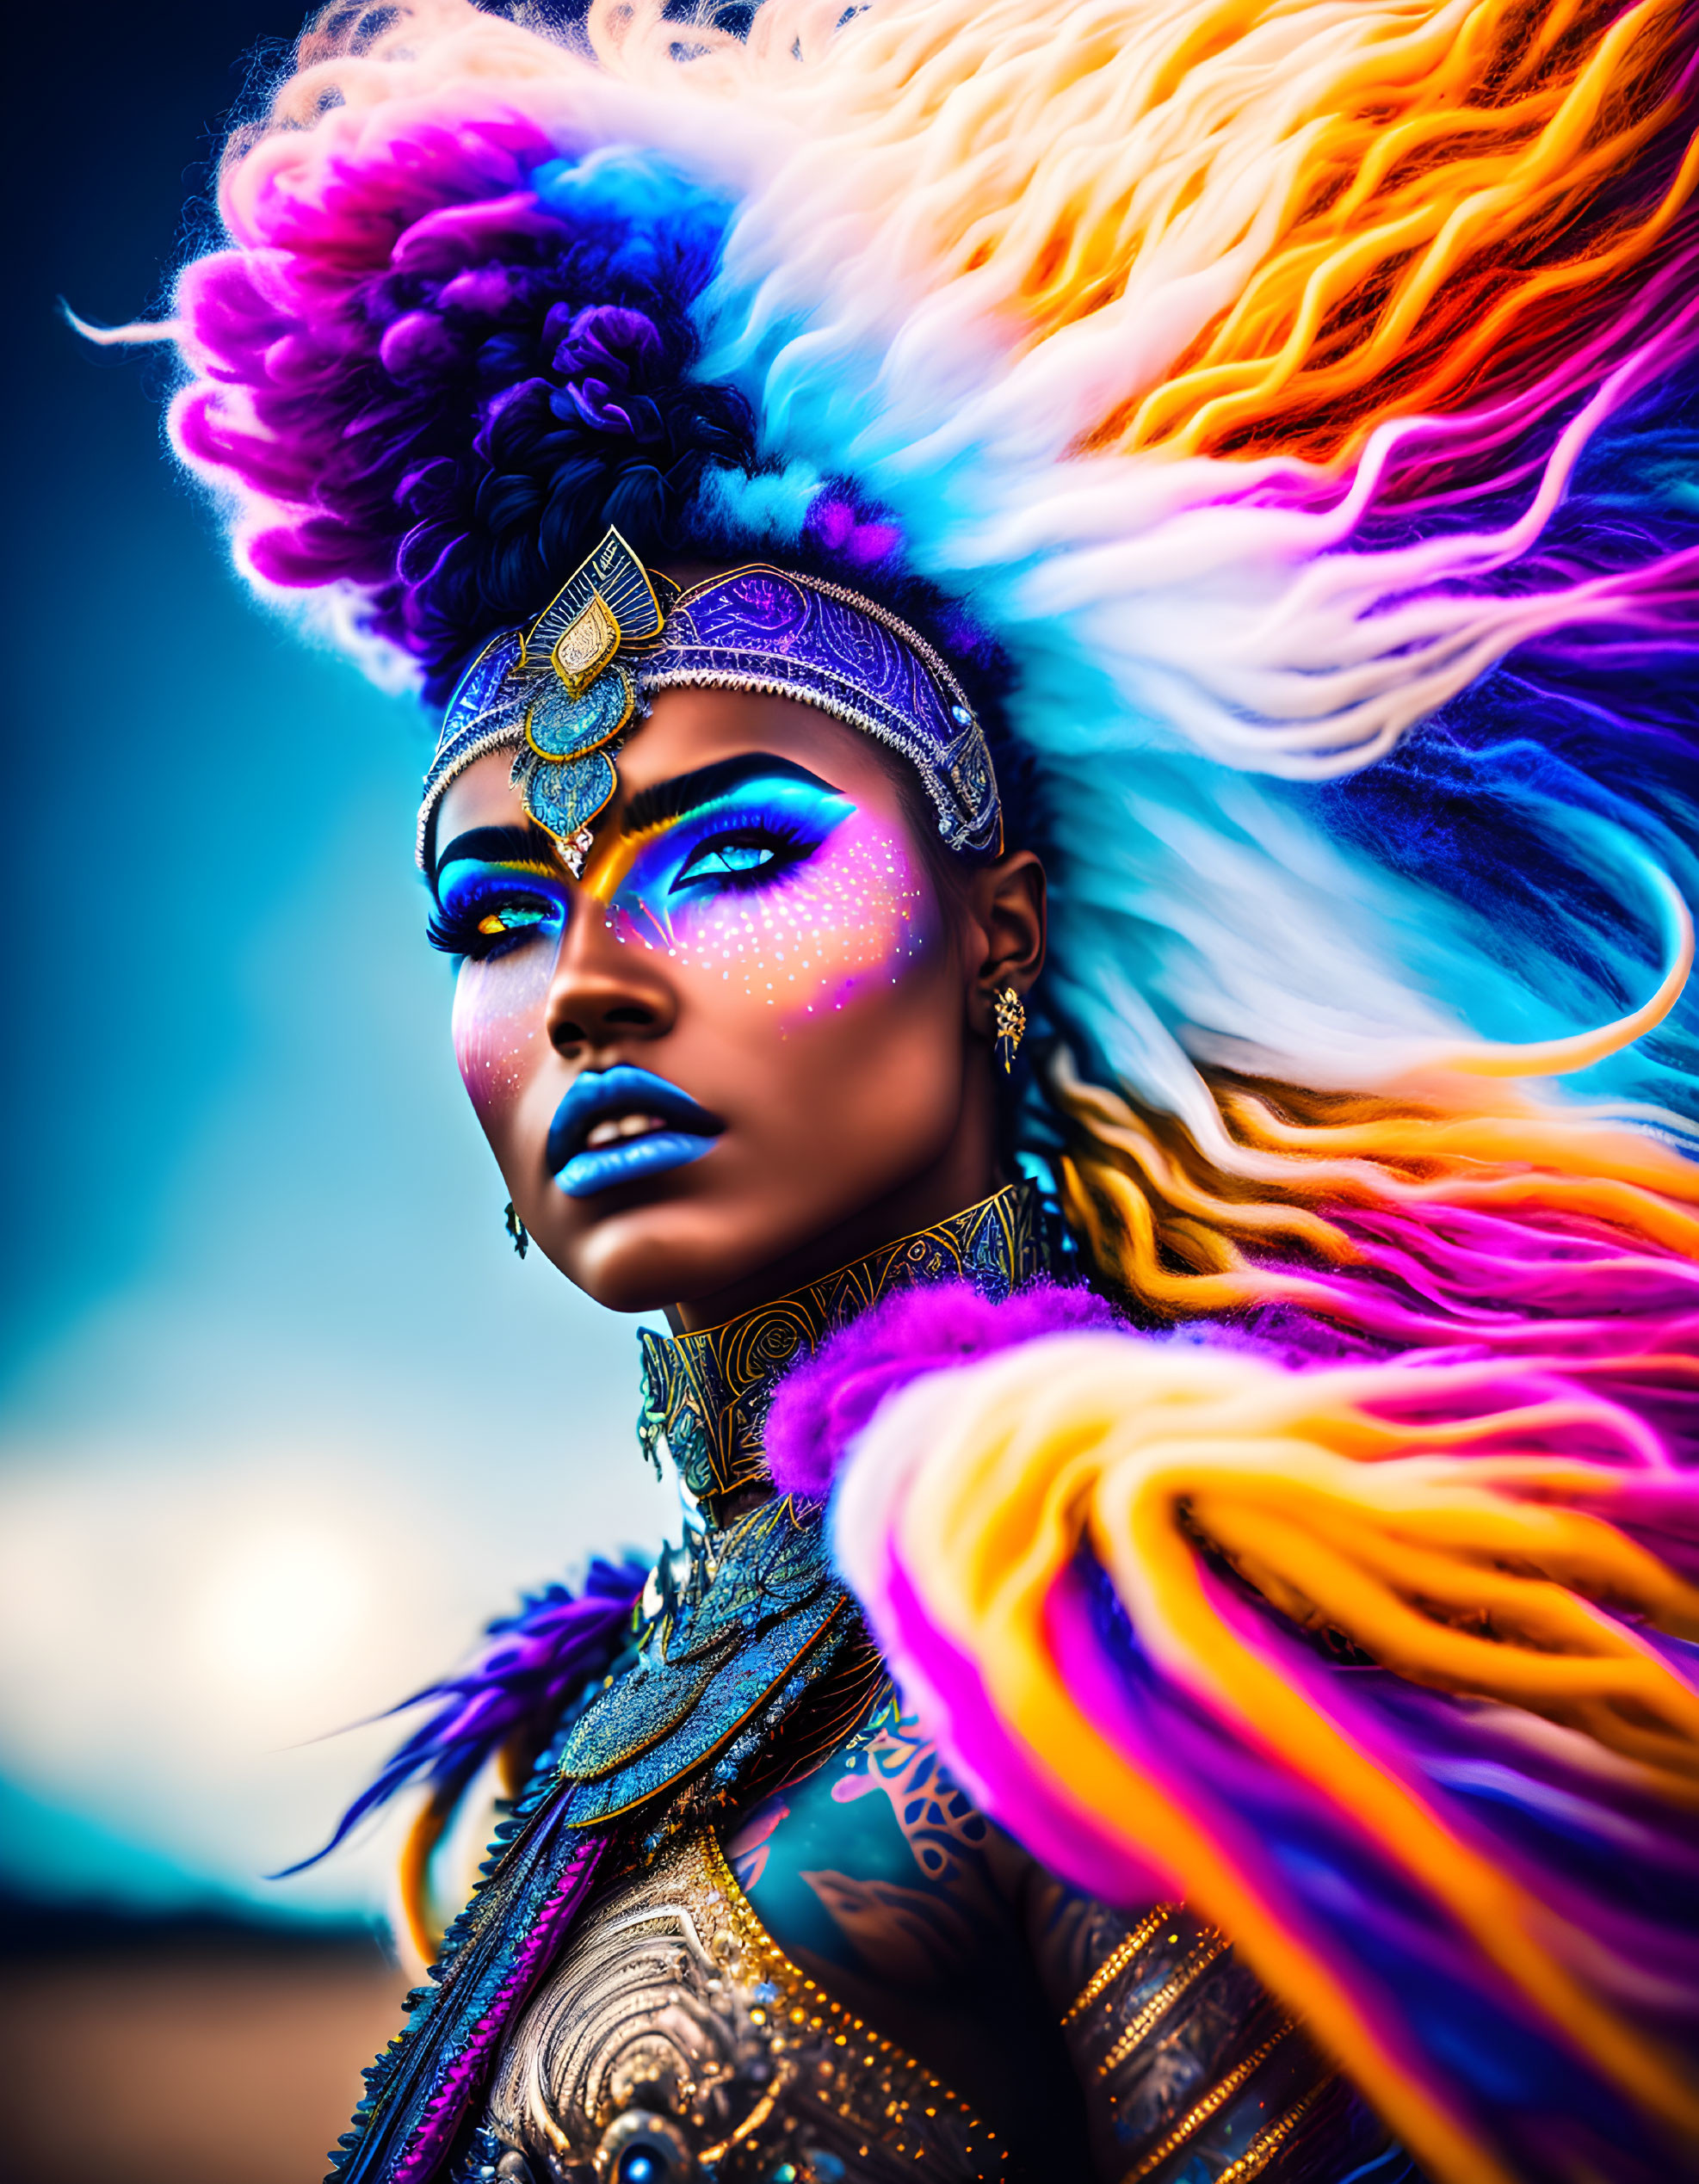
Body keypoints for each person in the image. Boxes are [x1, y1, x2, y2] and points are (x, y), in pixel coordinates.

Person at [116, 0, 1699, 2176]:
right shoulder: (609, 1711)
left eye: (736, 850)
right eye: (490, 908)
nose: (584, 987)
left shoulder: (1134, 1611)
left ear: (1001, 932)